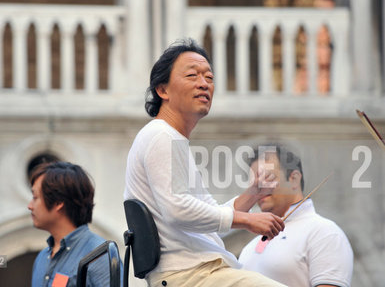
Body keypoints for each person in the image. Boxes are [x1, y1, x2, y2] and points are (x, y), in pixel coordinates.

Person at [124, 39, 286, 287]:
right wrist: (248, 220)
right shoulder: (161, 135)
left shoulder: (171, 139)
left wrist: (252, 195)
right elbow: (178, 209)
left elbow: (210, 220)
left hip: (198, 272)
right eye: (192, 76)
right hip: (189, 275)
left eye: (209, 78)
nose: (203, 84)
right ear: (162, 90)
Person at [239, 145, 353, 287]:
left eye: (266, 177)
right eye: (253, 183)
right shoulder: (249, 247)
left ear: (294, 179)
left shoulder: (324, 232)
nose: (259, 187)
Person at [28, 161, 117, 287]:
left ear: (58, 202)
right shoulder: (42, 258)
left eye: (35, 197)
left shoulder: (100, 255)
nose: (29, 206)